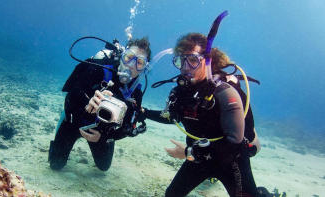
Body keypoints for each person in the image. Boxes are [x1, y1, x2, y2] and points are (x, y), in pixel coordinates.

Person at [142, 11, 263, 196]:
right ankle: (210, 176)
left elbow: (234, 143)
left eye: (192, 60)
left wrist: (189, 151)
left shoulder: (224, 92)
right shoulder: (181, 92)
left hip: (232, 160)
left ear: (207, 62)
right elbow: (171, 117)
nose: (185, 67)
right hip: (199, 158)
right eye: (181, 60)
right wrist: (143, 111)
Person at [48, 37, 151, 171]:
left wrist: (104, 137)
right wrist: (87, 101)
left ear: (144, 68)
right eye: (129, 57)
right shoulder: (98, 69)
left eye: (140, 62)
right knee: (55, 165)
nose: (131, 65)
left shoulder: (135, 92)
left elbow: (128, 127)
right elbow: (71, 95)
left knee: (104, 167)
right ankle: (63, 121)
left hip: (101, 131)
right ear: (121, 56)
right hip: (75, 122)